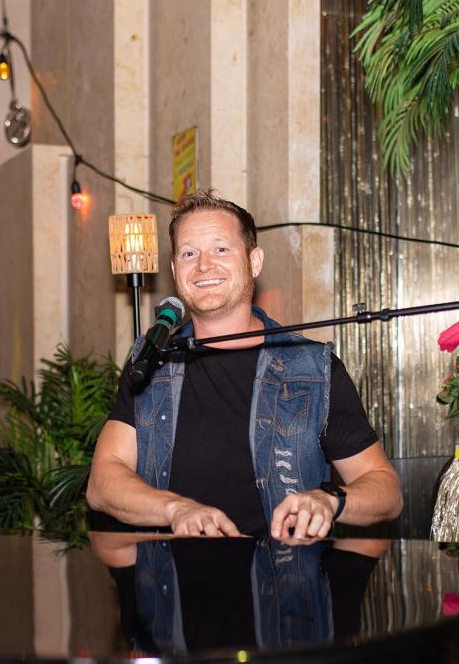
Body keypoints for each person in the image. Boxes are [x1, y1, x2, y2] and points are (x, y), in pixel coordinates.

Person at [87, 190, 401, 544]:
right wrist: (174, 509)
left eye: (221, 249)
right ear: (175, 270)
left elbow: (386, 491)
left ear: (254, 262)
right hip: (171, 577)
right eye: (189, 253)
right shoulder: (152, 361)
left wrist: (329, 501)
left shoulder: (313, 368)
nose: (204, 265)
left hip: (286, 575)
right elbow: (103, 481)